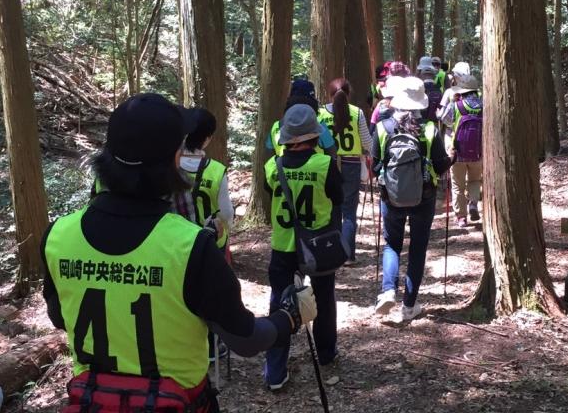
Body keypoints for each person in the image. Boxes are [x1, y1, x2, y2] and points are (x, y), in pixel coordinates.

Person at [41, 93, 316, 412]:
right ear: (173, 161)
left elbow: (60, 317)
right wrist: (290, 317)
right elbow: (245, 340)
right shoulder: (190, 245)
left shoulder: (57, 235)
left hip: (93, 402)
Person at [264, 104, 343, 391]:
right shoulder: (324, 165)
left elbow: (267, 192)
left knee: (279, 304)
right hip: (317, 245)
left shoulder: (274, 166)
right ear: (314, 135)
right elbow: (337, 197)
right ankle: (326, 352)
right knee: (324, 299)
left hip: (283, 246)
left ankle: (275, 372)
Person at [371, 77, 452, 321]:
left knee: (392, 244)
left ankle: (387, 291)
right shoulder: (429, 130)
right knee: (417, 248)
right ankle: (409, 306)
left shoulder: (383, 128)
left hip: (391, 197)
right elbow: (439, 168)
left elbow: (376, 166)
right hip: (423, 197)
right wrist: (452, 158)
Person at [171, 108, 234, 362]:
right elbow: (227, 214)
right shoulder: (216, 169)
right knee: (211, 293)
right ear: (207, 138)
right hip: (211, 243)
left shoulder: (170, 167)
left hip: (176, 242)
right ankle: (211, 345)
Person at [318, 78, 372, 262]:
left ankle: (332, 254)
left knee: (331, 209)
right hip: (352, 164)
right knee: (349, 212)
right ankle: (348, 255)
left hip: (327, 165)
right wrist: (371, 153)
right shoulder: (357, 113)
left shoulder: (320, 113)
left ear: (329, 94)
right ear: (348, 94)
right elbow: (367, 141)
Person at [440, 73, 483, 227]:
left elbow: (444, 119)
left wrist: (452, 102)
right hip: (478, 152)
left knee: (458, 185)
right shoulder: (483, 105)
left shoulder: (457, 105)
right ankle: (473, 203)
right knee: (475, 180)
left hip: (457, 152)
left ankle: (461, 217)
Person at [266, 79, 337, 158]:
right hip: (317, 169)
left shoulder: (275, 126)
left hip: (281, 169)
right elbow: (332, 153)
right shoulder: (319, 125)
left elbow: (269, 158)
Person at [417, 57, 443, 122]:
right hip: (434, 122)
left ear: (421, 75)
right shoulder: (438, 89)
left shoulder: (418, 88)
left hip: (420, 121)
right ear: (434, 76)